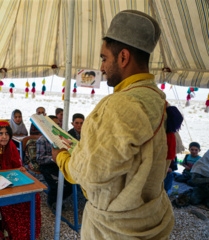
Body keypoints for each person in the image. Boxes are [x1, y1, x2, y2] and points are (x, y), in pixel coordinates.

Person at [52, 10, 175, 239]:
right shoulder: (160, 101)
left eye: (104, 58)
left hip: (112, 229)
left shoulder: (120, 104)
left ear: (124, 57)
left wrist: (61, 157)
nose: (101, 68)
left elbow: (91, 174)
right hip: (151, 218)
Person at [0, 120, 41, 240]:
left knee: (33, 196)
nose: (4, 137)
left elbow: (16, 165)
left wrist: (20, 169)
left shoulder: (10, 146)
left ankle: (27, 231)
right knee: (8, 203)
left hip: (8, 182)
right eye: (0, 134)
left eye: (7, 133)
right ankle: (10, 232)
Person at [36, 115, 72, 211]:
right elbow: (40, 159)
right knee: (55, 185)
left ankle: (59, 200)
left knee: (71, 183)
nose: (56, 127)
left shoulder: (61, 139)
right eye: (54, 125)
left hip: (58, 164)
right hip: (47, 166)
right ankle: (52, 201)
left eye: (58, 124)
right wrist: (54, 158)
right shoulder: (42, 140)